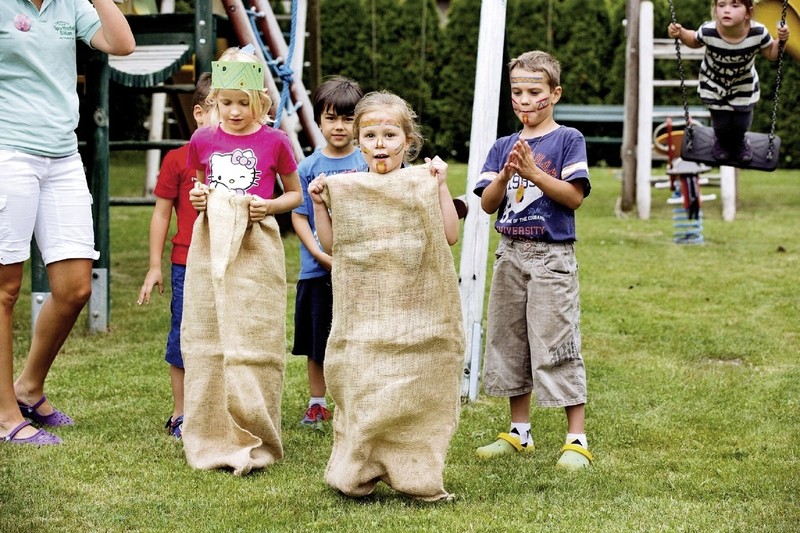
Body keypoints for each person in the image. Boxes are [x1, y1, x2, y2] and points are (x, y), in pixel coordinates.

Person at [308, 91, 462, 500]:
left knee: (409, 389)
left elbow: (449, 235)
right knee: (364, 386)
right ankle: (358, 469)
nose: (380, 144)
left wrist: (441, 186)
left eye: (390, 135)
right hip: (363, 313)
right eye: (371, 135)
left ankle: (415, 472)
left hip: (416, 310)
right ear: (358, 142)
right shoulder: (348, 190)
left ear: (408, 142)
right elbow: (332, 245)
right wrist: (320, 204)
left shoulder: (418, 184)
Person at [0, 0, 135, 446]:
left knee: (75, 287)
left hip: (61, 156)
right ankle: (4, 417)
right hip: (8, 152)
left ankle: (28, 388)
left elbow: (122, 44)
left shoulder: (71, 4)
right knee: (5, 290)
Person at [182, 45, 303, 475]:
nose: (234, 112)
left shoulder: (275, 141)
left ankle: (256, 428)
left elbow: (294, 194)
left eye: (242, 103)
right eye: (226, 102)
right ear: (215, 102)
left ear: (260, 103)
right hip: (212, 244)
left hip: (256, 246)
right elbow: (200, 190)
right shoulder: (202, 139)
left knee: (254, 334)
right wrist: (198, 198)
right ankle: (211, 429)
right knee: (208, 334)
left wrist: (266, 208)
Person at [473, 51, 593, 470]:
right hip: (509, 254)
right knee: (509, 341)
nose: (524, 100)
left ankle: (576, 439)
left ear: (554, 94)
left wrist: (535, 173)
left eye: (534, 92)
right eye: (517, 92)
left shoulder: (567, 140)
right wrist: (507, 175)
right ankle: (519, 432)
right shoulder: (503, 146)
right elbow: (488, 204)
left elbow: (573, 196)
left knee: (555, 340)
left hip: (551, 258)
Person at [137, 73, 213, 439]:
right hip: (186, 262)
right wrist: (155, 266)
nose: (230, 115)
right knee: (182, 336)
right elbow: (161, 213)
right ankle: (181, 413)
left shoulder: (242, 161)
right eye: (220, 107)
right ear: (199, 114)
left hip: (228, 261)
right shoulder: (178, 159)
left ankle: (219, 409)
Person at [291, 76, 366, 429]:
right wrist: (320, 255)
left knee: (357, 337)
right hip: (318, 272)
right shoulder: (308, 168)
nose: (339, 126)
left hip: (362, 269)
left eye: (348, 119)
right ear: (318, 120)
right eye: (331, 118)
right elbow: (300, 216)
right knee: (317, 340)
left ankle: (354, 402)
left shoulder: (369, 163)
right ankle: (317, 403)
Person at [668, 0, 789, 162]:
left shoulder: (758, 33)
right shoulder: (709, 31)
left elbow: (771, 54)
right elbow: (694, 40)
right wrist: (681, 32)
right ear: (715, 9)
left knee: (741, 122)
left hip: (743, 85)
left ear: (748, 12)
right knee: (721, 123)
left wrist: (781, 41)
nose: (727, 10)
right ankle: (721, 143)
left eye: (734, 5)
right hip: (714, 84)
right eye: (721, 5)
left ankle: (740, 143)